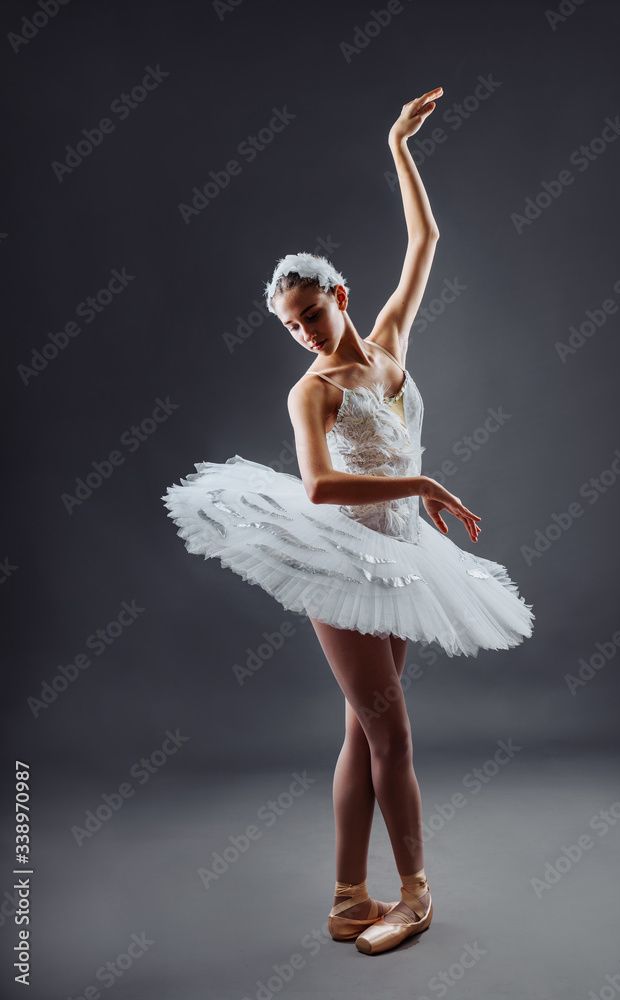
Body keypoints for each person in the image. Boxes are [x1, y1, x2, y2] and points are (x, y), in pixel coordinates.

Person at [161, 86, 534, 955]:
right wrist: (427, 484)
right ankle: (414, 895)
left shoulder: (392, 342)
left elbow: (425, 241)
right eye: (290, 326)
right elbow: (323, 489)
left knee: (360, 728)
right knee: (391, 731)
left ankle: (343, 897)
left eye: (310, 314)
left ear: (339, 292)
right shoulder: (312, 389)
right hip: (338, 556)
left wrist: (397, 145)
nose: (301, 332)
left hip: (404, 556)